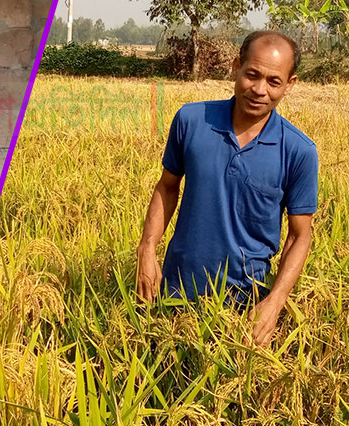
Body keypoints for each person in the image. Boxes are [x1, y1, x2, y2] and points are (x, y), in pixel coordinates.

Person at [134, 31, 318, 346]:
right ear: (235, 67)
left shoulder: (298, 151)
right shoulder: (191, 120)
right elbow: (167, 187)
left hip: (245, 308)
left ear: (290, 84)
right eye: (252, 75)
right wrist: (147, 249)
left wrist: (275, 301)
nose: (260, 90)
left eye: (274, 81)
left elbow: (300, 235)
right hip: (174, 295)